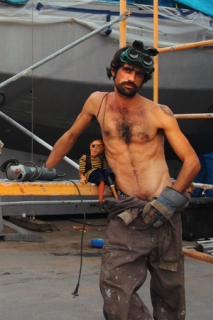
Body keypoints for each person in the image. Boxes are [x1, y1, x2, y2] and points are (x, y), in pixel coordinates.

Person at [45, 41, 200, 320]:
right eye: (127, 70)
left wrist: (170, 199)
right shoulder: (97, 102)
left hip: (164, 214)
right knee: (114, 290)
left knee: (170, 295)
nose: (132, 78)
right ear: (114, 70)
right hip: (127, 213)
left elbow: (192, 162)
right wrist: (43, 170)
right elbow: (70, 137)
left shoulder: (158, 112)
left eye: (139, 74)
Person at [78, 138, 116, 206]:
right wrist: (82, 177)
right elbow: (81, 171)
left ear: (101, 150)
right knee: (101, 181)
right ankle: (100, 202)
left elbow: (104, 169)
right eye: (93, 146)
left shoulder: (101, 159)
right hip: (91, 173)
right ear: (90, 146)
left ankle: (115, 193)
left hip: (99, 172)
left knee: (108, 173)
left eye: (98, 148)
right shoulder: (85, 158)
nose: (94, 149)